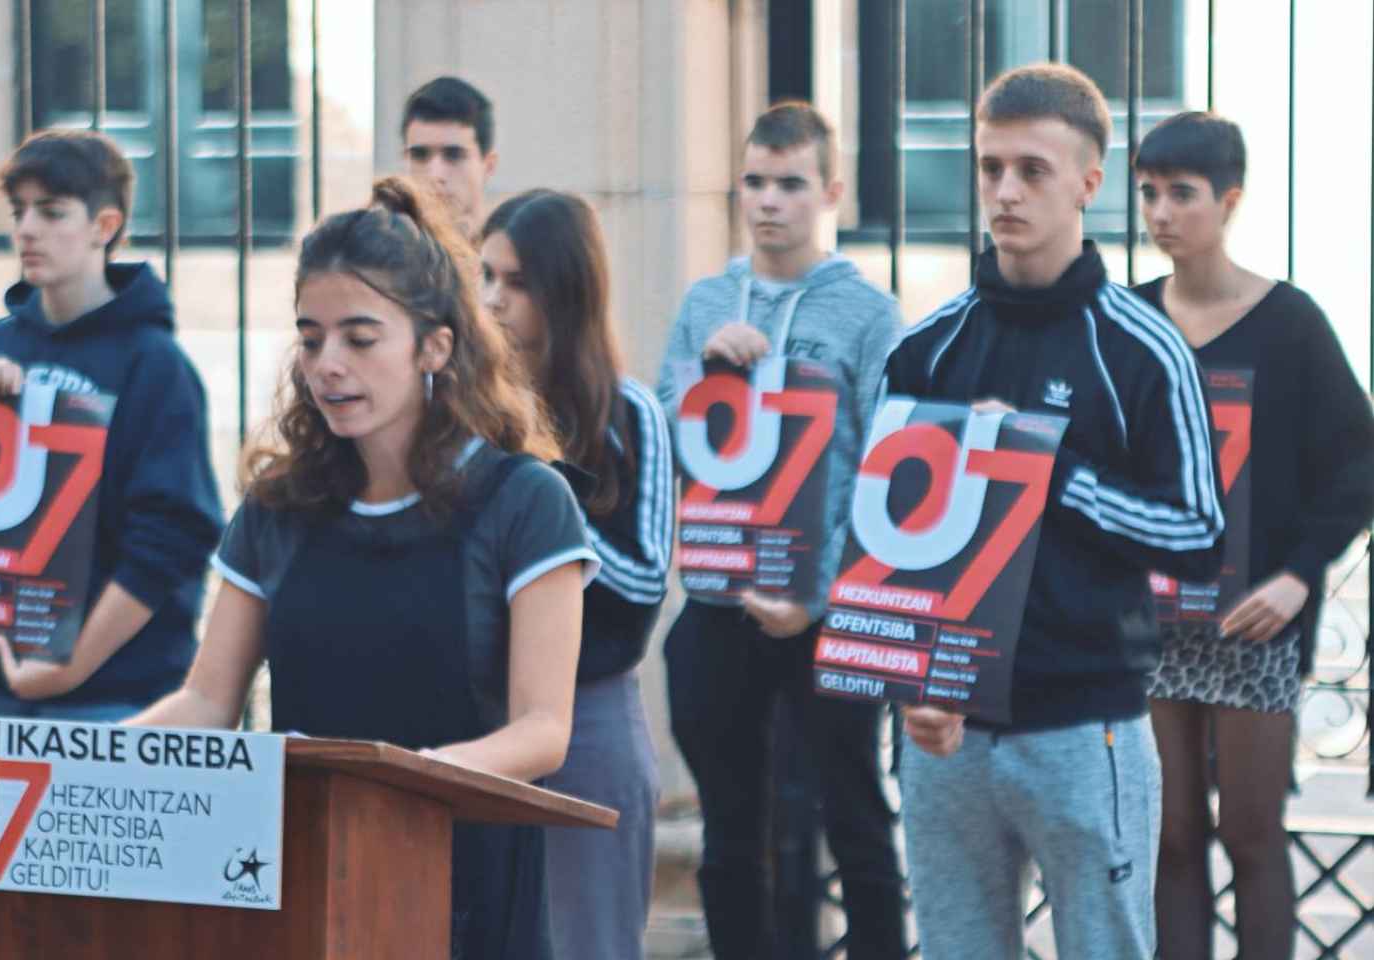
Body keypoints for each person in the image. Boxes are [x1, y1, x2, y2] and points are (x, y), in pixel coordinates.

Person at [131, 177, 598, 960]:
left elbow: (543, 730)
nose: (328, 365)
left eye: (359, 336)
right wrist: (85, 763)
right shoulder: (278, 508)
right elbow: (207, 701)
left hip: (468, 897)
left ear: (435, 347)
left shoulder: (525, 502)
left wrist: (397, 781)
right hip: (308, 888)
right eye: (310, 339)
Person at [891, 64, 1226, 959]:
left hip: (1089, 729)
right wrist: (911, 686)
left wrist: (1045, 471)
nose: (1005, 190)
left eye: (1032, 170)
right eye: (990, 166)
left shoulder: (1144, 350)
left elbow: (1198, 537)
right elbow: (887, 554)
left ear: (1088, 181)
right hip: (945, 740)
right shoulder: (927, 348)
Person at [653, 100, 907, 960]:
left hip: (825, 619)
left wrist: (824, 598)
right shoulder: (703, 302)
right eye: (756, 181)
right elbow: (661, 440)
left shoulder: (870, 314)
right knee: (732, 835)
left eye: (791, 184)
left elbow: (889, 471)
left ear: (831, 190)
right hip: (722, 605)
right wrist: (703, 378)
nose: (769, 201)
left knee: (854, 820)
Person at [1133, 111, 1374, 960]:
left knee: (1251, 835)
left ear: (1229, 201)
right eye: (1148, 193)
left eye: (1182, 195)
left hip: (1254, 623)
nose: (1161, 212)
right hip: (1151, 625)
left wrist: (1300, 574)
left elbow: (1358, 463)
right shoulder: (1127, 320)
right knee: (1169, 838)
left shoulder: (1290, 324)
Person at [0, 129, 224, 722]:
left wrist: (70, 667)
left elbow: (171, 541)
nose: (26, 229)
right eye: (19, 211)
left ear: (104, 226)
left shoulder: (155, 365)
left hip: (112, 700)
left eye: (51, 211)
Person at [480, 189, 673, 960]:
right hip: (475, 719)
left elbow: (644, 582)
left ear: (565, 290)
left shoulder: (627, 415)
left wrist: (541, 493)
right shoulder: (458, 410)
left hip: (588, 722)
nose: (493, 300)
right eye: (485, 277)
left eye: (517, 281)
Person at [402, 75, 499, 240]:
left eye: (454, 155)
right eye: (419, 155)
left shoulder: (517, 260)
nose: (435, 175)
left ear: (488, 166)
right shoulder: (376, 259)